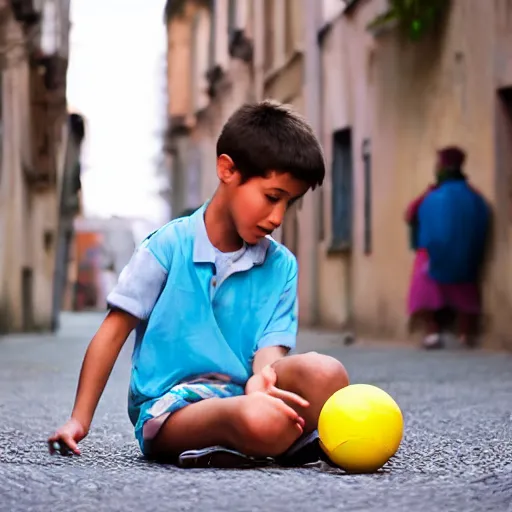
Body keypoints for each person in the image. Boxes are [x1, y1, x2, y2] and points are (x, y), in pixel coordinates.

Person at [48, 101, 349, 468]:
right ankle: (272, 437)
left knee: (328, 374)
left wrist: (261, 381)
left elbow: (271, 352)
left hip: (243, 392)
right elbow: (112, 334)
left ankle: (263, 437)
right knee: (259, 419)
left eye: (290, 204)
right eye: (272, 197)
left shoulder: (281, 265)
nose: (277, 217)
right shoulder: (167, 247)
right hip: (172, 408)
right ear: (228, 169)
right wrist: (79, 420)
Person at [405, 146, 490, 350]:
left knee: (423, 274)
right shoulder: (474, 196)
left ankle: (432, 331)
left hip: (434, 259)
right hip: (465, 262)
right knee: (465, 283)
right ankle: (464, 333)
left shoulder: (433, 195)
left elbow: (411, 214)